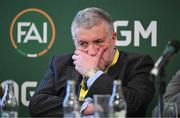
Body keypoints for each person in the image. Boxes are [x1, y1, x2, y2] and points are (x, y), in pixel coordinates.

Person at [29, 7, 155, 117]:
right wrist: (85, 107)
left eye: (98, 42)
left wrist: (92, 74)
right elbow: (37, 104)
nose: (92, 51)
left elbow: (134, 106)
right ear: (75, 43)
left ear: (113, 38)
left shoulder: (138, 63)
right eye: (83, 44)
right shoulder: (61, 63)